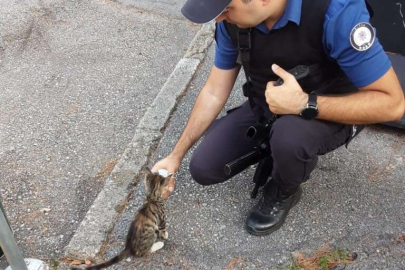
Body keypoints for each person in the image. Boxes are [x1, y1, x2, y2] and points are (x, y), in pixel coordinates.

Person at [152, 0, 405, 236]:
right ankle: (274, 144)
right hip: (270, 103)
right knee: (204, 168)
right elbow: (214, 91)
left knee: (290, 139)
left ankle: (284, 189)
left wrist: (305, 103)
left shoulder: (336, 11)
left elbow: (392, 104)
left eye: (227, 9)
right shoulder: (231, 22)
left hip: (333, 107)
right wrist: (176, 154)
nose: (219, 19)